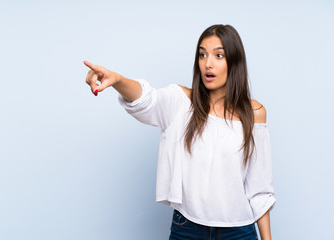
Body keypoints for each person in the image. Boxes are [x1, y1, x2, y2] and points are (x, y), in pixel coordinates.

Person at [84, 24, 276, 240]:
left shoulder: (254, 112)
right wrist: (118, 80)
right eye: (202, 55)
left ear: (235, 62)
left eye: (218, 55)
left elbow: (259, 189)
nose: (208, 64)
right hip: (187, 229)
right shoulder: (181, 102)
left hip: (239, 231)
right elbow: (146, 100)